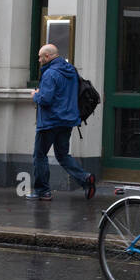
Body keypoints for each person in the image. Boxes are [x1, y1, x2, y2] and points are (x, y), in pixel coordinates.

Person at [29, 44, 96, 202]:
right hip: (67, 121)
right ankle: (85, 178)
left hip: (50, 122)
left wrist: (35, 95)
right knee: (63, 155)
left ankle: (43, 191)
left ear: (48, 56)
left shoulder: (50, 73)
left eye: (40, 57)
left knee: (39, 155)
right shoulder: (71, 70)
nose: (39, 60)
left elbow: (45, 99)